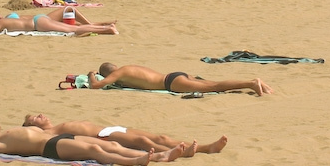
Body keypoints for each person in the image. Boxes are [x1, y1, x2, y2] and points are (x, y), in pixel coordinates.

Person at [0, 117, 172, 165]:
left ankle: (157, 155)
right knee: (94, 149)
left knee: (113, 145)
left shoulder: (8, 132)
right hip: (49, 147)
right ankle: (136, 160)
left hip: (59, 138)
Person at [22, 113, 227, 156]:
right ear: (31, 126)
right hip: (103, 136)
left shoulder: (58, 124)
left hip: (111, 128)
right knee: (142, 141)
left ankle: (205, 148)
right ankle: (180, 152)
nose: (40, 115)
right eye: (35, 118)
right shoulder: (47, 133)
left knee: (160, 137)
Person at [89, 62, 272, 96]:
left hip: (171, 83)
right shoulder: (129, 67)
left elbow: (96, 86)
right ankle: (257, 83)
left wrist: (91, 75)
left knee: (215, 87)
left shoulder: (118, 74)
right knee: (212, 83)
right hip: (174, 75)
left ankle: (251, 83)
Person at [0, 9, 117, 36]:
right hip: (39, 19)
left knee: (72, 30)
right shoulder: (5, 20)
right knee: (71, 27)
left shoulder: (1, 23)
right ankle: (106, 27)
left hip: (38, 23)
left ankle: (107, 29)